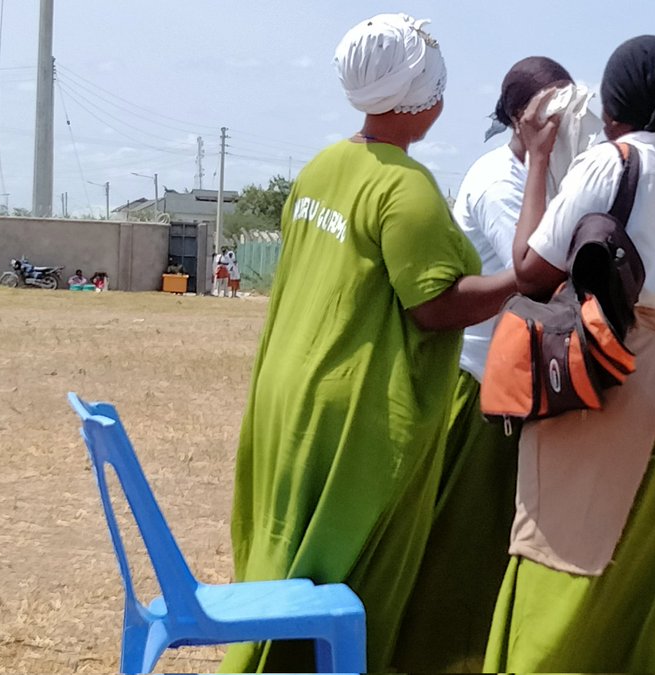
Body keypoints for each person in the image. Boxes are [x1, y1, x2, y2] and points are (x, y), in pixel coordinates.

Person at [221, 14, 516, 673]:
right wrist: (520, 277)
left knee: (285, 551)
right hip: (350, 414)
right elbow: (435, 305)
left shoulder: (324, 167)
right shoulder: (404, 188)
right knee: (343, 569)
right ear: (425, 96)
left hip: (287, 394)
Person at [483, 36, 655, 673]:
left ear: (615, 109)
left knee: (562, 587)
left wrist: (538, 163)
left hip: (606, 393)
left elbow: (529, 270)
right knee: (642, 597)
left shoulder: (614, 164)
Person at [392, 56, 575, 673]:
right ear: (519, 120)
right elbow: (538, 275)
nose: (560, 126)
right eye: (547, 115)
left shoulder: (547, 177)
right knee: (463, 541)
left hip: (518, 384)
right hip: (482, 387)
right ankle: (436, 656)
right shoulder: (501, 179)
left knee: (492, 535)